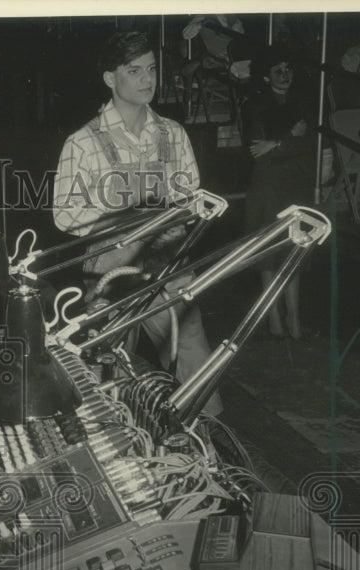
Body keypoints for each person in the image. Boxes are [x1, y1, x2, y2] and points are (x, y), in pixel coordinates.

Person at [53, 29, 223, 416]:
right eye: (134, 71)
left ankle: (206, 444)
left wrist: (181, 213)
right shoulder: (84, 142)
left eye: (151, 69)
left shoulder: (172, 134)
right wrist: (123, 213)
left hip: (168, 262)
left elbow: (191, 197)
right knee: (106, 360)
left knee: (192, 351)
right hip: (112, 270)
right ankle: (114, 441)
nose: (147, 79)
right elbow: (65, 214)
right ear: (111, 78)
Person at [242, 47, 317, 340]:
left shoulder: (302, 103)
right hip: (267, 186)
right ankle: (273, 316)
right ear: (265, 75)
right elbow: (257, 154)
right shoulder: (255, 105)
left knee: (294, 250)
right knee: (268, 253)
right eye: (278, 71)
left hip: (295, 184)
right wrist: (288, 140)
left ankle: (294, 318)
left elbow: (309, 144)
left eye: (289, 69)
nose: (285, 75)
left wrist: (275, 144)